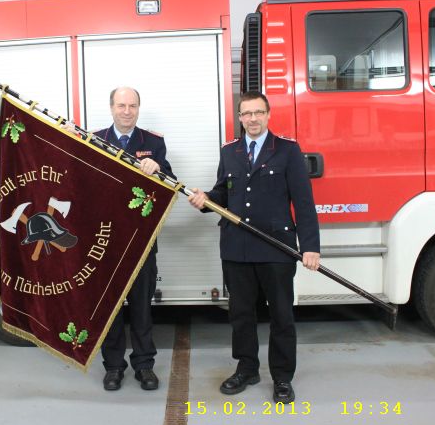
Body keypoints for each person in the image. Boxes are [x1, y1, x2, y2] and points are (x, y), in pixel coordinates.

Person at [187, 91, 320, 403]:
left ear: (268, 114)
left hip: (277, 248)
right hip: (237, 248)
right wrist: (205, 200)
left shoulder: (287, 150)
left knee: (282, 316)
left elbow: (303, 203)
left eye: (258, 112)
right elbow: (224, 192)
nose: (253, 119)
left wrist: (310, 246)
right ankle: (247, 368)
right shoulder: (230, 152)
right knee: (241, 314)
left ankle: (283, 377)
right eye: (246, 114)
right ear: (240, 117)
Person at [96, 86, 174, 392]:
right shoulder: (95, 139)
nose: (126, 111)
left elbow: (170, 181)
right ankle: (114, 366)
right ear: (111, 107)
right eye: (121, 105)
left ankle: (144, 366)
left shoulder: (153, 142)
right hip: (105, 241)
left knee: (142, 307)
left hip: (142, 241)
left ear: (139, 108)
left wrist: (159, 169)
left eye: (132, 105)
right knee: (111, 308)